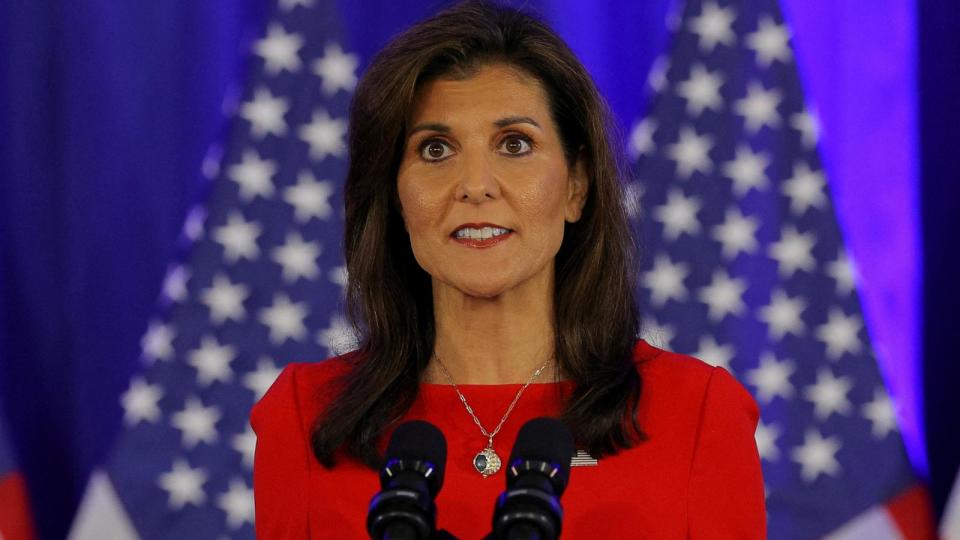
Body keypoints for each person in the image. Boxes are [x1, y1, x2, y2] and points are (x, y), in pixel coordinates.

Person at [251, 1, 765, 538]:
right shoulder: (305, 418)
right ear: (395, 196)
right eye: (435, 149)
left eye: (515, 144)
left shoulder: (697, 415)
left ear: (576, 185)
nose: (475, 184)